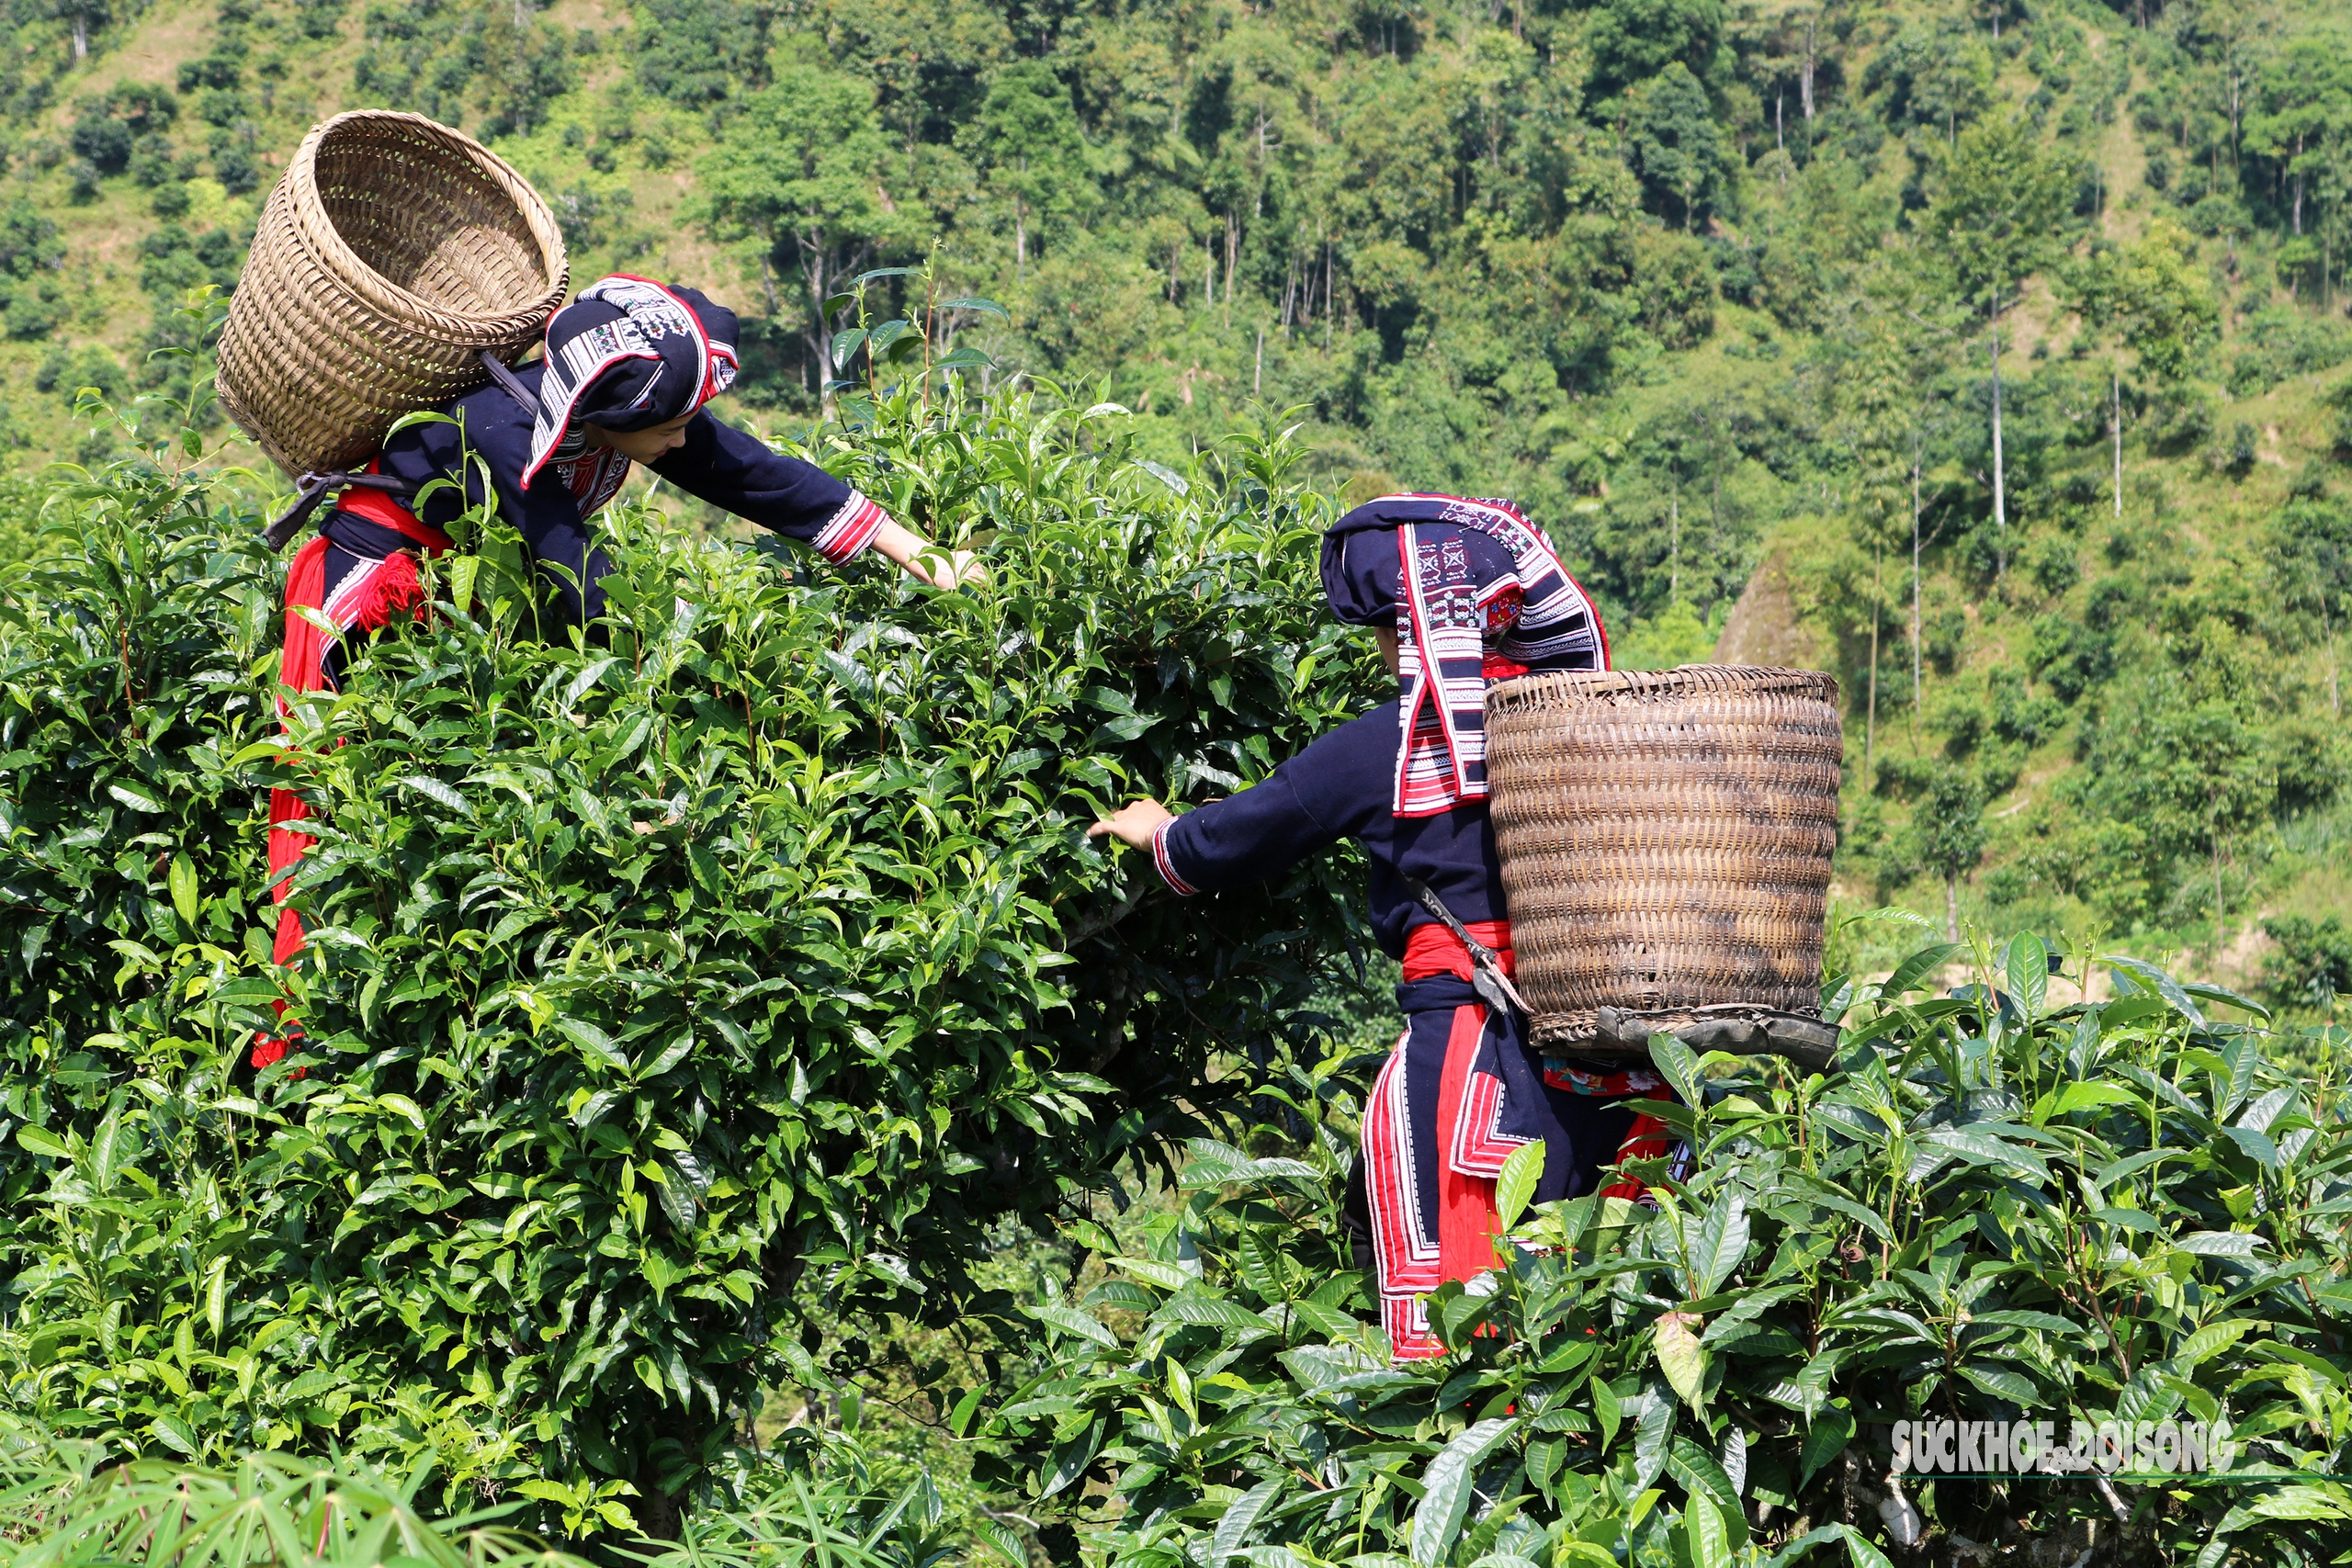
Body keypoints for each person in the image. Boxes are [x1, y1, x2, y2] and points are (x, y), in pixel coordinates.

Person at [256, 275, 975, 1068]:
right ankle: (308, 1020)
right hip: (375, 598)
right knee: (347, 802)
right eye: (670, 427)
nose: (681, 439)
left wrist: (924, 558)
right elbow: (579, 576)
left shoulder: (622, 415)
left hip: (472, 590)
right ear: (607, 418)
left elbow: (759, 476)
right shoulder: (507, 430)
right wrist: (690, 691)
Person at [1089, 493, 1679, 1361]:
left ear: (1413, 628)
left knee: (1471, 1325)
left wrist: (1161, 831)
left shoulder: (1397, 744)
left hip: (1474, 1046)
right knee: (1594, 1313)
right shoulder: (1588, 727)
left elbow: (1241, 833)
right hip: (1616, 1056)